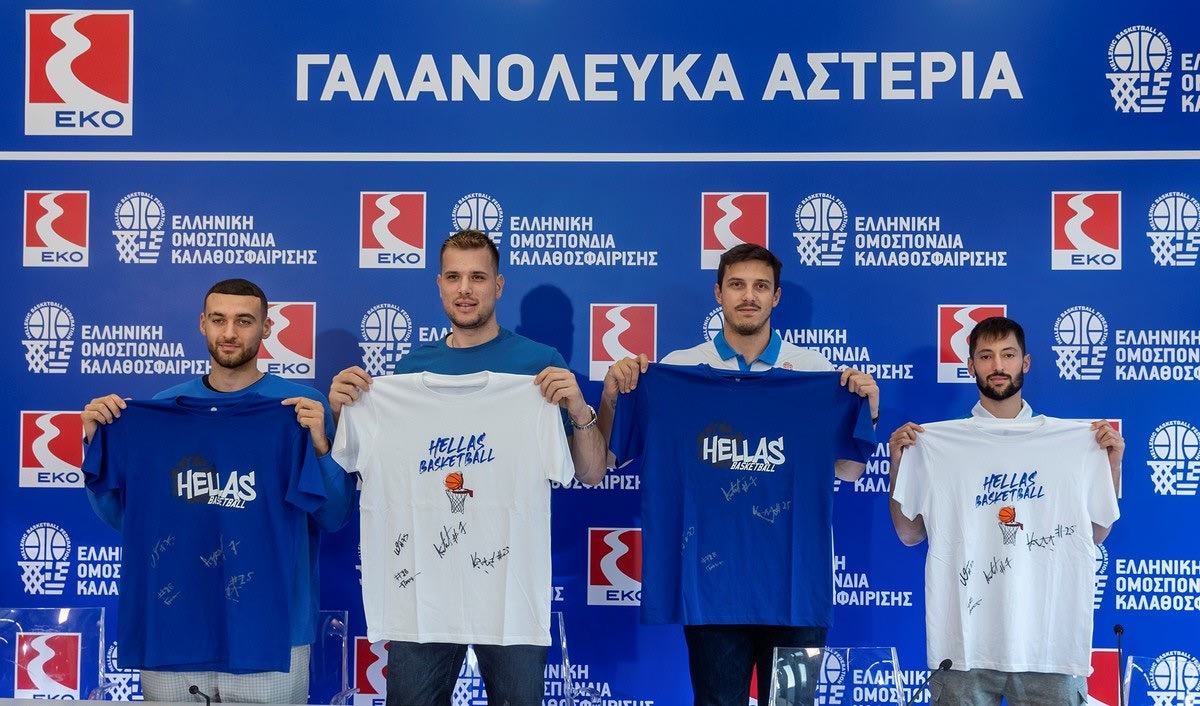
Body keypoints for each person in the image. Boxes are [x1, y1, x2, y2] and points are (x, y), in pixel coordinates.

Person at [328, 229, 606, 706]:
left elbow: (591, 473)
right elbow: (360, 465)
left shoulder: (539, 366)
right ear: (439, 284)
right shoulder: (408, 373)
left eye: (477, 277)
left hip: (511, 591)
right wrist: (344, 413)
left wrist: (580, 410)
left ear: (498, 285)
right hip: (422, 590)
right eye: (454, 277)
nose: (465, 289)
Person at [599, 243, 881, 706]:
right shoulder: (677, 370)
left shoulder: (817, 374)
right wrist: (615, 394)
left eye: (760, 286)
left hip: (797, 594)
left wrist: (866, 407)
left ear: (776, 296)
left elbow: (849, 472)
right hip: (712, 591)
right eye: (737, 285)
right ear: (718, 293)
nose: (748, 296)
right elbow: (612, 458)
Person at [81, 278, 356, 703]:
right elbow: (127, 518)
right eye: (218, 319)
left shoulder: (300, 409)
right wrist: (96, 443)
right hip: (174, 629)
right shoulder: (161, 411)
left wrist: (320, 447)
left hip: (273, 633)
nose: (229, 332)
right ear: (202, 324)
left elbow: (334, 515)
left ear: (266, 327)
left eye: (244, 321)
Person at [888, 316, 1124, 705]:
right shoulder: (937, 444)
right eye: (986, 356)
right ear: (971, 366)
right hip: (963, 648)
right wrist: (899, 464)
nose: (998, 365)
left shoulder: (1074, 442)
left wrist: (1110, 464)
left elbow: (1096, 534)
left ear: (1025, 362)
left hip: (1049, 646)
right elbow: (909, 534)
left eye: (1008, 355)